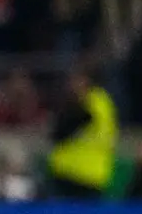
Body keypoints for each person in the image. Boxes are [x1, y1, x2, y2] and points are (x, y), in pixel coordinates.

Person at [46, 68, 118, 201]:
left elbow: (61, 132)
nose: (70, 84)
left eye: (75, 80)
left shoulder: (90, 103)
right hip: (86, 174)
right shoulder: (102, 102)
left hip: (78, 174)